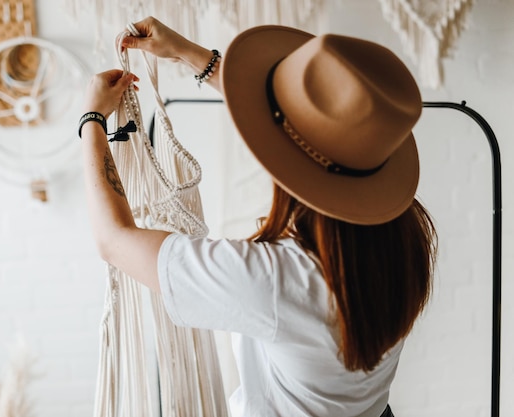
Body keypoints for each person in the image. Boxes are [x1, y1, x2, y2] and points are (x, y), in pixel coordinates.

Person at [79, 16, 437, 417]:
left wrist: (91, 120)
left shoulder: (277, 281)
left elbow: (113, 239)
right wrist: (185, 52)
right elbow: (290, 125)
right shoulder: (406, 234)